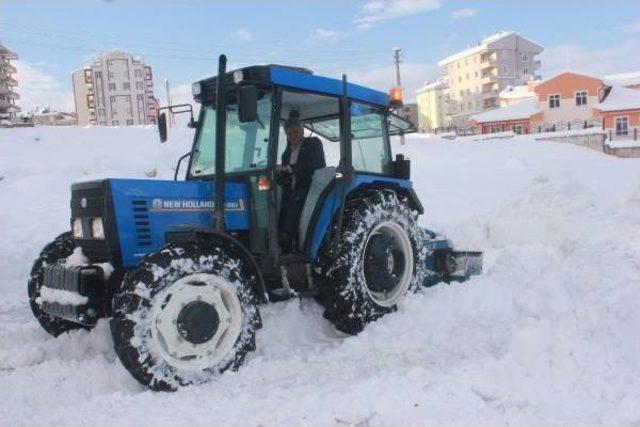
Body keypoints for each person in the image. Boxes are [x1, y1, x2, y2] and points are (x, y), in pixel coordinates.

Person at [276, 116, 326, 253]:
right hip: (291, 188)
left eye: (295, 132)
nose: (292, 136)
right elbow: (287, 174)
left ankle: (287, 236)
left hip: (311, 187)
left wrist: (288, 168)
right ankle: (278, 240)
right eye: (289, 134)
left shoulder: (313, 144)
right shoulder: (286, 153)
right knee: (276, 201)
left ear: (302, 131)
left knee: (296, 200)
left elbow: (315, 164)